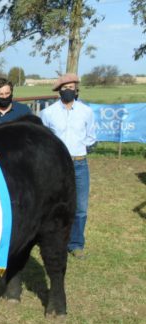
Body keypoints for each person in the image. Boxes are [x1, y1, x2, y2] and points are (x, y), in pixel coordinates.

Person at [40, 73, 96, 259]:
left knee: (80, 206)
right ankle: (55, 242)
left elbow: (90, 137)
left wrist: (78, 149)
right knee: (55, 205)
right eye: (65, 88)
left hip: (79, 164)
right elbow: (45, 138)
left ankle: (76, 244)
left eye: (72, 87)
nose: (68, 90)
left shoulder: (86, 111)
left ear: (76, 89)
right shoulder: (48, 113)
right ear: (58, 91)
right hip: (57, 166)